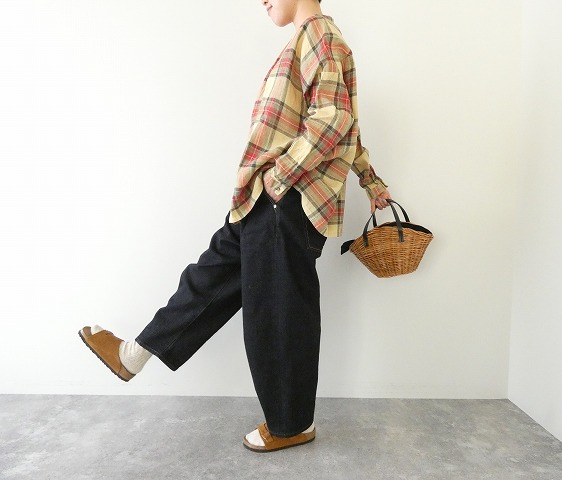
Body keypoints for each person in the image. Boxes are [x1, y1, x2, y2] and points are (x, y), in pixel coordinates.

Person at [78, 0, 391, 453]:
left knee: (278, 313)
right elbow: (346, 123)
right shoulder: (313, 40)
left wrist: (279, 178)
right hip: (265, 199)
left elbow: (335, 120)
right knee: (210, 277)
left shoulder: (319, 35)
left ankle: (291, 425)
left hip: (286, 199)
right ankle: (133, 355)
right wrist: (370, 180)